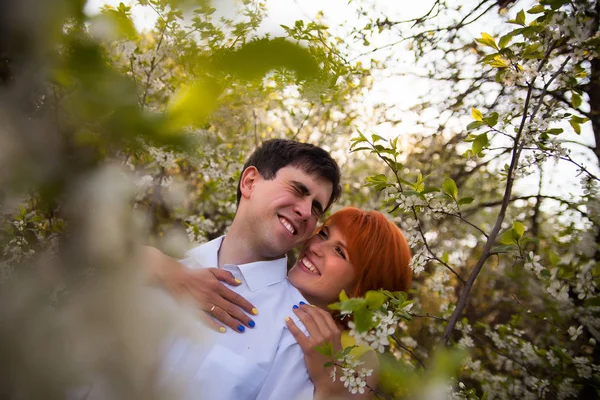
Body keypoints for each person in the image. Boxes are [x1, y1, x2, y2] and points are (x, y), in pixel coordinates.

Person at [151, 207, 412, 399]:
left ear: (363, 287)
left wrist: (330, 387)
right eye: (323, 235)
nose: (315, 248)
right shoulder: (251, 282)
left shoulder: (357, 355)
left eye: (339, 252)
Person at [155, 138, 342, 400]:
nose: (304, 211)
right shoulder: (157, 267)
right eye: (298, 190)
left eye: (316, 208)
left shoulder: (296, 330)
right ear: (250, 182)